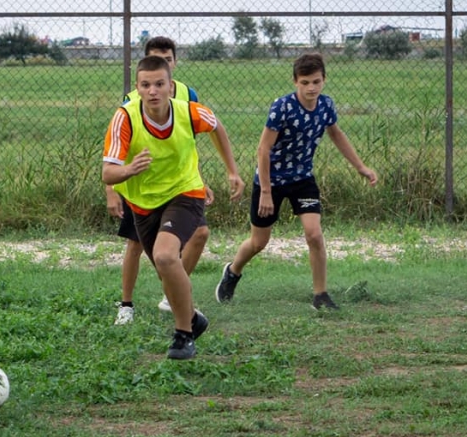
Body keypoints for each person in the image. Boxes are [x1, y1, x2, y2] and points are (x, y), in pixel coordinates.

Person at [102, 55, 245, 359]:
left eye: (159, 84)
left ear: (171, 86)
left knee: (166, 256)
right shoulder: (124, 118)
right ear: (137, 89)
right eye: (145, 85)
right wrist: (129, 170)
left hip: (185, 192)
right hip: (143, 204)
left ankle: (183, 335)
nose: (152, 90)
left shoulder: (189, 112)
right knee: (166, 273)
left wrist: (232, 170)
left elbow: (217, 127)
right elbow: (108, 173)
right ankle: (194, 319)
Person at [215, 52, 378, 310]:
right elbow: (263, 150)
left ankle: (320, 295)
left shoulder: (326, 106)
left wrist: (361, 167)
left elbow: (336, 134)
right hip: (271, 180)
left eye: (316, 81)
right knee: (259, 242)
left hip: (302, 178)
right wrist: (266, 192)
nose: (311, 88)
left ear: (324, 79)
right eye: (305, 82)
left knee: (314, 234)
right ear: (295, 82)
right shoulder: (282, 107)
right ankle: (233, 272)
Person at [107, 36, 211, 325]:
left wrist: (199, 179)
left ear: (173, 64)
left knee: (200, 235)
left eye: (166, 60)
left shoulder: (188, 95)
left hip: (179, 184)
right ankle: (126, 304)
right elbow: (115, 151)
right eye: (156, 59)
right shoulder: (132, 102)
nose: (153, 87)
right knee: (135, 243)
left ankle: (174, 295)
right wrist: (111, 189)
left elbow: (186, 142)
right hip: (142, 186)